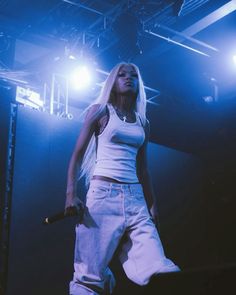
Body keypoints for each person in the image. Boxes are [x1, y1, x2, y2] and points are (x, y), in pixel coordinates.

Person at [65, 62, 180, 295]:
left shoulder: (142, 123)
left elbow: (143, 168)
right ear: (113, 82)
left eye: (134, 75)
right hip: (103, 195)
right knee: (89, 276)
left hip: (135, 199)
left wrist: (152, 203)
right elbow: (76, 156)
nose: (128, 78)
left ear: (139, 84)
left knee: (159, 266)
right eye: (122, 74)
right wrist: (70, 195)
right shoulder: (99, 111)